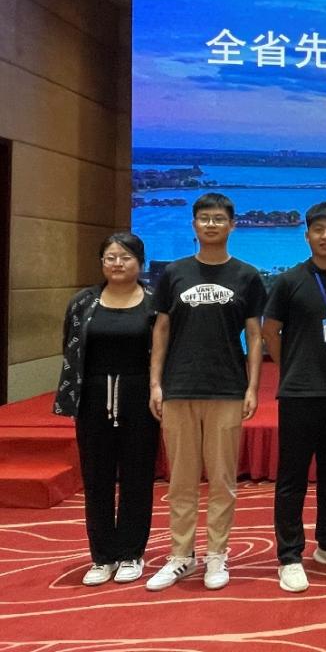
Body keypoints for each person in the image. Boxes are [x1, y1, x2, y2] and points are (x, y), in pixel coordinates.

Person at [146, 192, 266, 592]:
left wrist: (252, 387)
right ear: (194, 225)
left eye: (218, 219)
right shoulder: (174, 273)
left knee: (222, 480)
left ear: (232, 225)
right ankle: (181, 555)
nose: (211, 224)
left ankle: (217, 553)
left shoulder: (247, 275)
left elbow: (255, 335)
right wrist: (155, 383)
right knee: (180, 481)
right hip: (179, 387)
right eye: (204, 218)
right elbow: (161, 330)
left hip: (227, 388)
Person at [262, 202, 326, 593]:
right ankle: (290, 556)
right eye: (318, 229)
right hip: (299, 392)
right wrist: (290, 365)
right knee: (292, 477)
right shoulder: (290, 280)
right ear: (307, 236)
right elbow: (270, 330)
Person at [54, 233, 160, 586]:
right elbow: (70, 347)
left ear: (140, 262)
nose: (117, 263)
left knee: (137, 476)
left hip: (139, 396)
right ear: (102, 262)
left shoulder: (154, 302)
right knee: (96, 477)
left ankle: (131, 552)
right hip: (93, 396)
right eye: (110, 257)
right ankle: (102, 556)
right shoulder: (83, 302)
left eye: (125, 257)